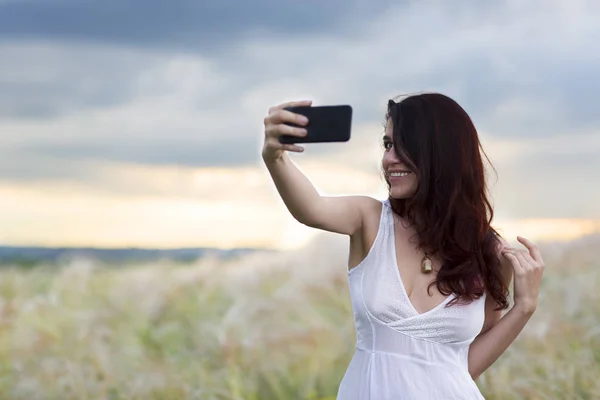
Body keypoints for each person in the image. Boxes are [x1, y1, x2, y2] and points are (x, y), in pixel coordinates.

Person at [261, 93, 545, 400]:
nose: (389, 158)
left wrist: (524, 308)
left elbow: (459, 366)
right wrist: (274, 157)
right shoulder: (369, 220)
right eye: (387, 145)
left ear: (442, 154)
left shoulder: (489, 253)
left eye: (404, 146)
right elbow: (311, 208)